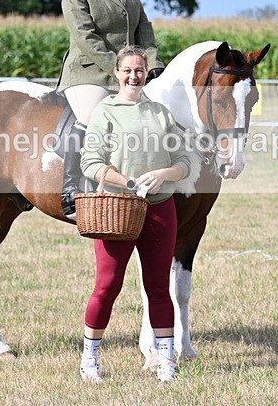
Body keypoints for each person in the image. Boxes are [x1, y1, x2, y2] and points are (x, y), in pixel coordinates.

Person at [77, 46, 190, 383]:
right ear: (117, 72)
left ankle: (166, 360)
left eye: (139, 70)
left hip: (159, 208)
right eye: (127, 70)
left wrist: (162, 176)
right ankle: (89, 360)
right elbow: (90, 162)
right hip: (118, 209)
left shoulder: (160, 113)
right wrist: (127, 182)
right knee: (107, 285)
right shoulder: (105, 111)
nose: (133, 76)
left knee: (159, 286)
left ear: (146, 73)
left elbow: (184, 161)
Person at [57, 0, 165, 218]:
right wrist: (121, 70)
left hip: (131, 71)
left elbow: (143, 25)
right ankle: (69, 187)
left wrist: (153, 63)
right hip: (89, 71)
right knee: (91, 119)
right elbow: (85, 37)